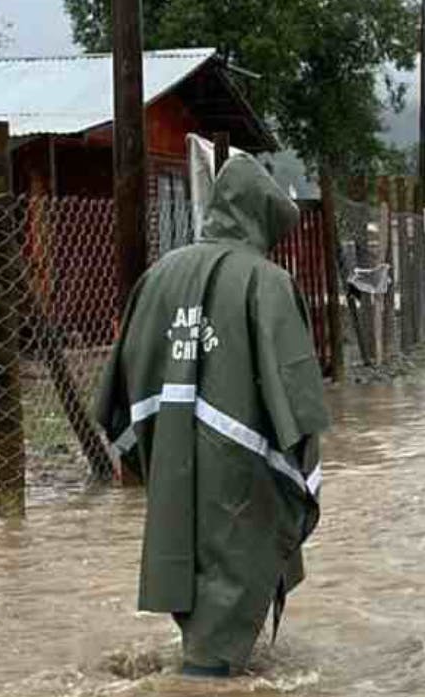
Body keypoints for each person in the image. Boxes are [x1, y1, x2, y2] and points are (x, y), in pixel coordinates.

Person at [96, 152, 330, 677]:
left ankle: (198, 668)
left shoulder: (157, 275)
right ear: (260, 214)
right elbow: (297, 400)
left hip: (172, 463)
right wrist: (305, 478)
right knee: (237, 567)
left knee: (193, 574)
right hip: (241, 475)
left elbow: (120, 387)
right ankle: (208, 675)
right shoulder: (268, 282)